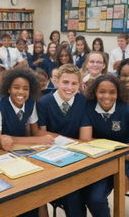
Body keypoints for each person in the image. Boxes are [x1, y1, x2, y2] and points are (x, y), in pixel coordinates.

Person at [80, 74, 129, 217]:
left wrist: (121, 152)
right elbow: (86, 139)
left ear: (118, 93)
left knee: (119, 188)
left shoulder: (128, 110)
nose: (107, 96)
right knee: (95, 199)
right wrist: (113, 153)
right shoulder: (88, 107)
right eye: (102, 91)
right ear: (95, 92)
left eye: (112, 92)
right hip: (104, 160)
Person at [37, 64, 87, 217]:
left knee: (78, 194)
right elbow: (42, 136)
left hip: (77, 158)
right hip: (51, 159)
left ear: (79, 85)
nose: (69, 87)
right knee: (71, 195)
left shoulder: (82, 101)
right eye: (65, 82)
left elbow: (85, 137)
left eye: (74, 83)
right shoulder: (43, 103)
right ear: (56, 81)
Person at [0, 67, 54, 147]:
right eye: (16, 87)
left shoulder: (30, 103)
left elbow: (35, 132)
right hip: (2, 152)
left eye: (26, 89)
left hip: (22, 148)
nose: (21, 92)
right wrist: (37, 140)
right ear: (8, 89)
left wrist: (56, 138)